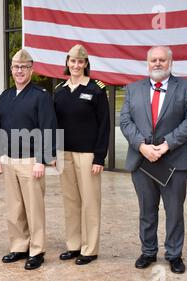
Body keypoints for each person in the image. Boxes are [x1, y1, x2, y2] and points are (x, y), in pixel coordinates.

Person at [120, 46, 187, 274]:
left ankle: (174, 254)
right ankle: (148, 251)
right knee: (147, 209)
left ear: (170, 62)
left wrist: (166, 145)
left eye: (162, 60)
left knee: (174, 210)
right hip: (142, 160)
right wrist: (141, 146)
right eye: (153, 60)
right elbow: (125, 122)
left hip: (174, 160)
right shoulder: (132, 89)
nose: (157, 63)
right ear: (147, 63)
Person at [0, 49, 57, 270]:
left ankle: (37, 250)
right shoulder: (5, 96)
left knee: (34, 208)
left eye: (24, 67)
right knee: (15, 207)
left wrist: (42, 160)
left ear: (32, 69)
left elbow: (48, 128)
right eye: (16, 67)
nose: (19, 71)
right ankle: (19, 246)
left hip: (31, 161)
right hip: (9, 159)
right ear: (11, 70)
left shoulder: (41, 96)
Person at [54, 44, 110, 265]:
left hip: (88, 155)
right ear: (67, 63)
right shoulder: (59, 90)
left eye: (80, 62)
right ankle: (74, 245)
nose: (76, 65)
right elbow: (54, 124)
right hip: (65, 154)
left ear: (86, 64)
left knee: (89, 202)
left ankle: (90, 248)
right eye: (72, 61)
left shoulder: (96, 89)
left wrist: (99, 157)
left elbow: (105, 125)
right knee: (71, 201)